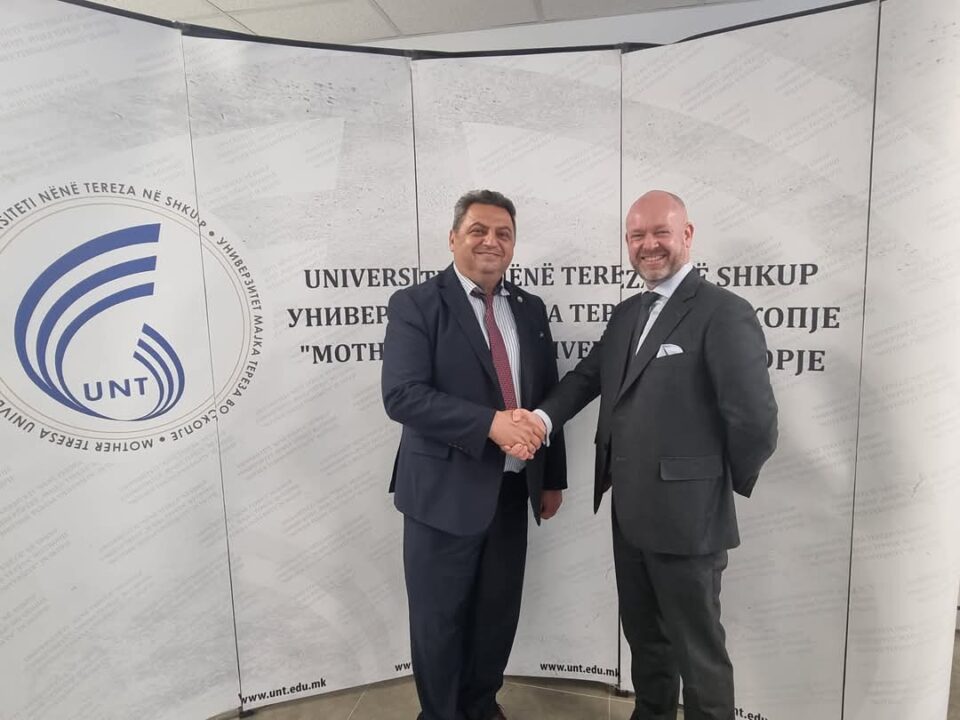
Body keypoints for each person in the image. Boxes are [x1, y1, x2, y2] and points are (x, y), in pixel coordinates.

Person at [527, 190, 778, 720]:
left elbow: (755, 421)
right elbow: (587, 377)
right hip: (629, 515)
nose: (648, 245)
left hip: (690, 520)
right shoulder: (627, 315)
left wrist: (710, 487)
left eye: (660, 232)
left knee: (699, 655)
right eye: (637, 235)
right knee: (646, 642)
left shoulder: (723, 312)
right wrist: (541, 420)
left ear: (687, 234)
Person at [381, 189, 566, 720]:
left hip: (511, 490)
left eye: (503, 233)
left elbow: (546, 393)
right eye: (478, 230)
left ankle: (482, 707)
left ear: (514, 244)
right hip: (441, 495)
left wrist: (551, 477)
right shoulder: (416, 304)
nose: (491, 241)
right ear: (453, 238)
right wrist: (490, 424)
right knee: (439, 621)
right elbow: (402, 395)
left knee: (496, 616)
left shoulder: (530, 308)